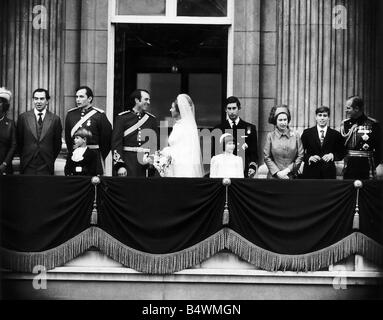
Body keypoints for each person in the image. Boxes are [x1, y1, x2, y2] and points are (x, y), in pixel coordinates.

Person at [65, 86, 112, 175]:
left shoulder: (99, 115)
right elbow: (68, 138)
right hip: (76, 156)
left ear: (89, 98)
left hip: (94, 157)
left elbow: (107, 139)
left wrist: (99, 155)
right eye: (77, 97)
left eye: (81, 97)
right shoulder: (71, 115)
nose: (78, 100)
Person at [111, 89, 158, 177]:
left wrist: (153, 163)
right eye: (146, 99)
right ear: (137, 100)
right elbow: (116, 143)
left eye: (149, 100)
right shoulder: (122, 118)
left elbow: (154, 144)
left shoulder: (152, 119)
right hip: (128, 162)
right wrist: (120, 165)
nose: (148, 102)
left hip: (145, 165)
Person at [17, 88, 62, 175]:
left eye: (42, 99)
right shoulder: (23, 117)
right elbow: (19, 141)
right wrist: (25, 157)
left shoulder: (55, 119)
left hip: (46, 164)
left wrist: (49, 158)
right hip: (27, 164)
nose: (38, 101)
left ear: (47, 101)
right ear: (33, 100)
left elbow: (57, 144)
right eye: (36, 98)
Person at [213, 96, 258, 177]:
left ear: (239, 108)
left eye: (234, 108)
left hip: (244, 171)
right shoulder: (218, 129)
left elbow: (253, 152)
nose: (232, 111)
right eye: (229, 108)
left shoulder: (250, 128)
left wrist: (252, 167)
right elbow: (214, 153)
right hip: (223, 172)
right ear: (225, 110)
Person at [161, 94, 204, 178]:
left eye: (172, 108)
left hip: (183, 169)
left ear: (179, 110)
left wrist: (166, 153)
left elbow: (186, 151)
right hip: (174, 167)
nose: (170, 110)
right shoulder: (178, 125)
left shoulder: (187, 126)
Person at [340, 96, 381, 179]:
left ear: (356, 109)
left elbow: (379, 149)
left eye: (348, 108)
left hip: (367, 166)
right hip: (349, 167)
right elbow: (341, 146)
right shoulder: (345, 124)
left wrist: (372, 165)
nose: (346, 111)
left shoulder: (373, 124)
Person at [301, 106, 346, 179]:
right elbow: (300, 152)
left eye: (325, 115)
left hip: (328, 173)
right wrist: (309, 157)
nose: (322, 118)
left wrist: (333, 155)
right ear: (316, 117)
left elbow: (342, 152)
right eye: (320, 115)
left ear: (328, 118)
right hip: (310, 172)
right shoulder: (307, 133)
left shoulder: (335, 134)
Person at [263, 105, 304, 179]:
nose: (283, 122)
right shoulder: (270, 136)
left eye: (285, 120)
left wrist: (288, 170)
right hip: (274, 177)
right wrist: (278, 173)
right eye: (280, 120)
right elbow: (267, 157)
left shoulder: (296, 136)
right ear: (276, 121)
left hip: (291, 176)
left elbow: (300, 156)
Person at [0, 87, 17, 175]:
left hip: (5, 169)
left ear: (4, 105)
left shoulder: (10, 124)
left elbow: (13, 146)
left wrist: (4, 164)